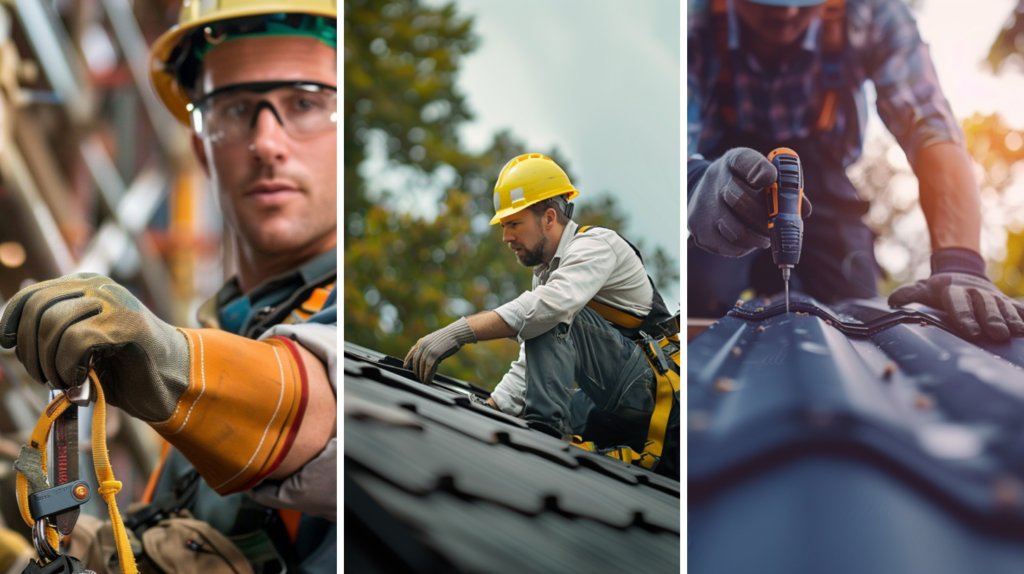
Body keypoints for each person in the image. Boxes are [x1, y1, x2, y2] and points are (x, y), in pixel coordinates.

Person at [0, 1, 337, 571]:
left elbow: (323, 411)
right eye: (232, 108)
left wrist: (171, 359)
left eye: (305, 103)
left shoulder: (338, 320)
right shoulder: (225, 339)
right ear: (203, 147)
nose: (267, 143)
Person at [687, 0, 1024, 341]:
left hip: (826, 186)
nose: (787, 11)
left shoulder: (873, 10)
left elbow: (929, 124)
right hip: (723, 181)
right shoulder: (692, 19)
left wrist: (960, 261)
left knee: (860, 310)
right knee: (701, 290)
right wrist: (692, 180)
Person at [404, 154, 680, 479]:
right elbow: (531, 363)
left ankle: (547, 433)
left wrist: (460, 331)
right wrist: (491, 411)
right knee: (542, 322)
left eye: (514, 224)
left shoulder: (596, 246)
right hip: (610, 399)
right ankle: (541, 426)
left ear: (549, 218)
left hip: (655, 395)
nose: (506, 237)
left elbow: (547, 310)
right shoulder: (546, 273)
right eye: (504, 226)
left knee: (548, 313)